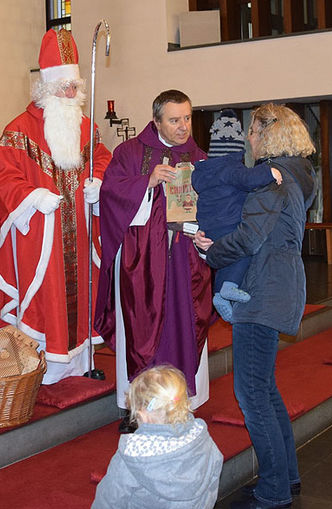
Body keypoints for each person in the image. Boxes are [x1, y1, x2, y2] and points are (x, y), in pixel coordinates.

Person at [194, 103, 317, 509]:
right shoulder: (300, 173)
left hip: (263, 288)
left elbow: (250, 237)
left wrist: (212, 253)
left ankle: (273, 491)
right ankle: (287, 478)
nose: (248, 138)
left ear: (269, 133)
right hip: (281, 281)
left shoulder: (273, 181)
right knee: (265, 389)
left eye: (252, 131)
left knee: (251, 395)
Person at [0, 28, 111, 384]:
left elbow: (102, 159)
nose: (71, 94)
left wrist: (98, 182)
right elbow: (6, 177)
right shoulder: (18, 130)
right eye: (64, 88)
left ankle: (79, 359)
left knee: (83, 292)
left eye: (74, 88)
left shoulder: (87, 127)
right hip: (42, 235)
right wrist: (33, 197)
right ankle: (48, 366)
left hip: (81, 233)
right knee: (45, 296)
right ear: (46, 89)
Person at [94, 89, 214, 418]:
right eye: (174, 120)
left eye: (187, 118)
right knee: (143, 329)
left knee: (186, 324)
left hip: (186, 261)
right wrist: (146, 183)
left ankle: (183, 405)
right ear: (156, 120)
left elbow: (213, 206)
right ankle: (137, 408)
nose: (183, 126)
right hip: (143, 264)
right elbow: (110, 195)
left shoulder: (199, 157)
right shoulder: (131, 153)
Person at [191, 110, 281, 322]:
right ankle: (227, 288)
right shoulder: (231, 168)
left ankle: (220, 294)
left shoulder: (202, 171)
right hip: (229, 223)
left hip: (209, 226)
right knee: (243, 251)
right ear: (236, 150)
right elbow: (249, 179)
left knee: (226, 259)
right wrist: (270, 172)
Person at [91, 365, 223, 509]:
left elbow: (108, 501)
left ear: (142, 416)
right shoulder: (201, 439)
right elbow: (213, 480)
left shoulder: (133, 456)